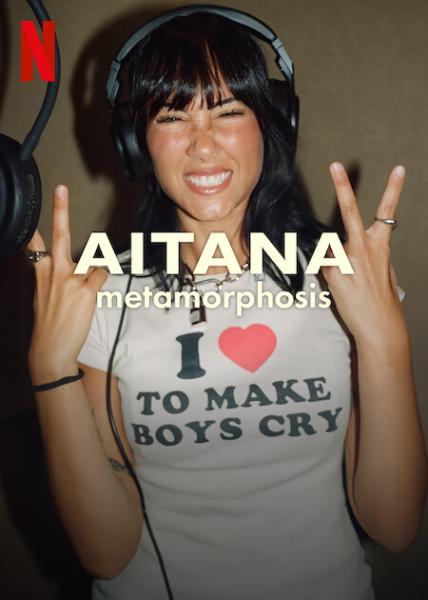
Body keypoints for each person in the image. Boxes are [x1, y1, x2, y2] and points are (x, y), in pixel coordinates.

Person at [27, 10, 427, 600]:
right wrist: (49, 367)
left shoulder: (343, 280)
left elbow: (393, 525)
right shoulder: (101, 295)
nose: (203, 144)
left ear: (272, 122)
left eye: (229, 111)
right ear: (137, 141)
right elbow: (106, 551)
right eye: (172, 116)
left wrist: (385, 342)